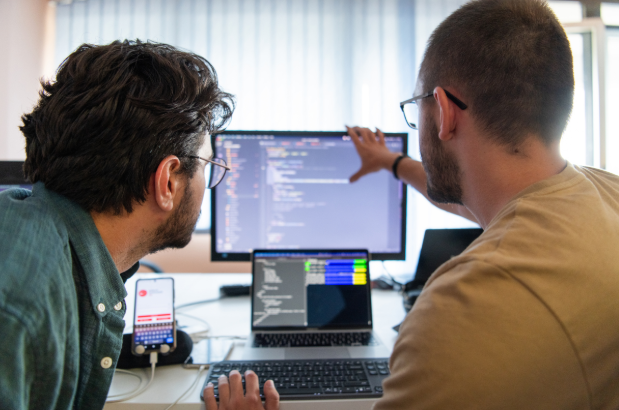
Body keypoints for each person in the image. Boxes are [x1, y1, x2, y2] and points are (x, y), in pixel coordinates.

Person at [205, 0, 619, 409]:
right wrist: (392, 162)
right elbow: (475, 201)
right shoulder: (605, 195)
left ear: (444, 112)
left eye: (415, 110)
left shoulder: (461, 311)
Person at [0, 40, 280, 410]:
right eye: (209, 166)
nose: (209, 182)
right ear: (168, 182)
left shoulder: (40, 242)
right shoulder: (22, 311)